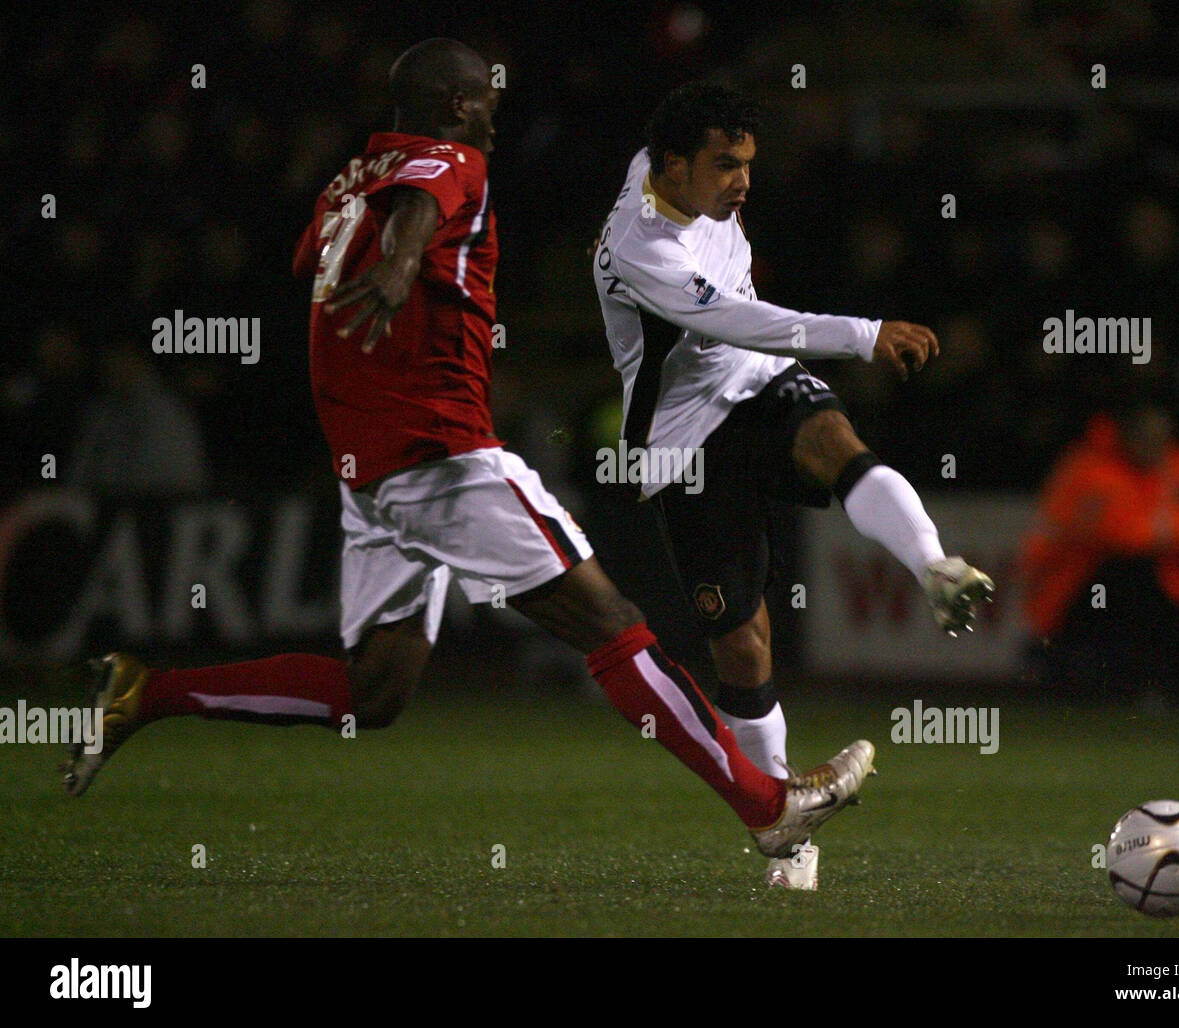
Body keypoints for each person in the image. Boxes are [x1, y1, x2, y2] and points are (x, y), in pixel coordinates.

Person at [61, 40, 875, 865]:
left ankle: (145, 693)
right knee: (612, 624)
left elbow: (310, 259)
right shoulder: (453, 162)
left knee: (374, 689)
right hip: (443, 455)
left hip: (369, 471)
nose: (495, 112)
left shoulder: (345, 184)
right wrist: (403, 263)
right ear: (454, 106)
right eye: (485, 98)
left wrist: (395, 273)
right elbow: (425, 203)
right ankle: (767, 805)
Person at [592, 82, 993, 887]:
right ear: (671, 168)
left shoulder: (663, 159)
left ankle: (933, 566)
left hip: (757, 380)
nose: (742, 182)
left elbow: (750, 341)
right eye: (724, 166)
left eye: (747, 163)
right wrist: (864, 335)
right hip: (684, 441)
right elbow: (738, 318)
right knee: (743, 649)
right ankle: (789, 830)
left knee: (832, 438)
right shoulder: (640, 248)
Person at [1021, 402, 1179, 696]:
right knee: (1131, 576)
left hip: (1157, 591)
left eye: (1163, 439)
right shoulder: (1091, 469)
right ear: (1127, 436)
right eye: (1148, 438)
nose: (1157, 447)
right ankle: (1094, 674)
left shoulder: (1170, 465)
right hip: (1072, 592)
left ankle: (1153, 683)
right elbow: (1124, 538)